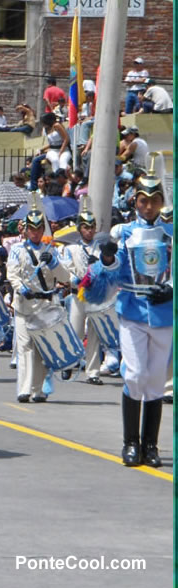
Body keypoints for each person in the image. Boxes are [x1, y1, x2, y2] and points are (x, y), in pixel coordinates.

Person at [81, 167, 172, 467]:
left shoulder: (171, 234)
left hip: (163, 314)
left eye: (154, 200)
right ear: (135, 202)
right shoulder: (123, 233)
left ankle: (151, 445)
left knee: (157, 380)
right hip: (132, 311)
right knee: (134, 375)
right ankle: (130, 443)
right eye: (143, 200)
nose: (148, 206)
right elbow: (110, 274)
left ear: (161, 202)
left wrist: (171, 290)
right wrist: (108, 258)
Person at [6, 199, 69, 402]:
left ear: (43, 229)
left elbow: (65, 278)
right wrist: (20, 288)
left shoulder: (51, 250)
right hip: (24, 304)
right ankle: (24, 389)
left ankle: (38, 389)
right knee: (25, 347)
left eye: (39, 228)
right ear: (26, 230)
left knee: (42, 348)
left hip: (44, 305)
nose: (35, 232)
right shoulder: (17, 249)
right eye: (32, 229)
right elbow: (12, 274)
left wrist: (54, 264)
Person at [60, 199, 103, 384]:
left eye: (92, 227)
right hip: (78, 293)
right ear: (80, 229)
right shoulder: (71, 249)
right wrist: (73, 280)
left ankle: (93, 371)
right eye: (86, 227)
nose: (90, 231)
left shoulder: (100, 248)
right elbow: (65, 269)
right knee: (75, 330)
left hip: (95, 294)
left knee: (94, 334)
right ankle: (69, 364)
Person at [28, 112, 71, 190]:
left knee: (63, 162)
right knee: (53, 160)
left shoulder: (57, 126)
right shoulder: (45, 129)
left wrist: (61, 152)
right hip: (52, 150)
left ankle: (63, 182)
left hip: (63, 150)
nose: (42, 124)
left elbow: (66, 139)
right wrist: (42, 149)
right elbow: (51, 144)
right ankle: (34, 186)